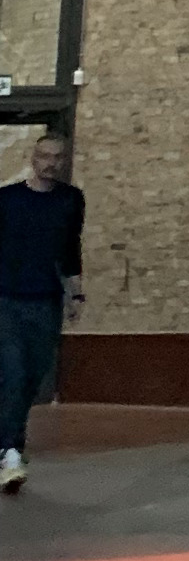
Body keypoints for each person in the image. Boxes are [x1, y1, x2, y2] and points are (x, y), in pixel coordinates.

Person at [0, 130, 84, 492]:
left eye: (57, 157)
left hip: (46, 301)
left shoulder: (71, 200)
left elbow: (70, 249)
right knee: (14, 373)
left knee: (32, 378)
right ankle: (10, 452)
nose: (50, 163)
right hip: (6, 300)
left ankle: (7, 442)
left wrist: (76, 294)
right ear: (33, 159)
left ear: (64, 161)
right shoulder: (7, 200)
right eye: (44, 156)